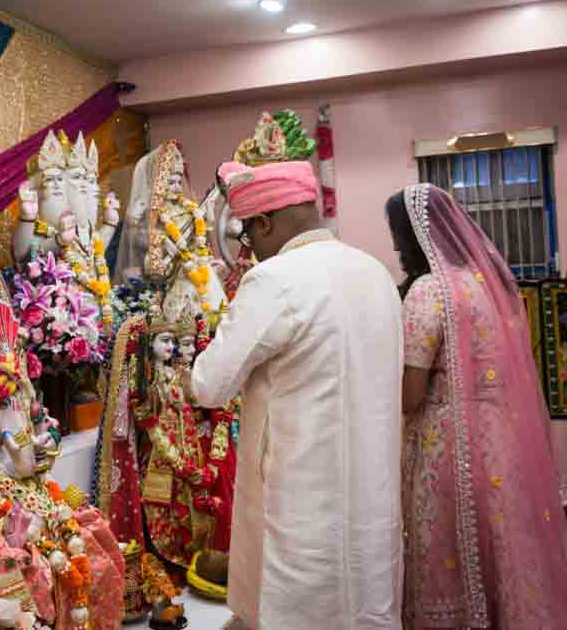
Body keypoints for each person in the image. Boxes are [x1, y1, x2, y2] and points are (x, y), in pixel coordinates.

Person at [190, 160, 403, 629]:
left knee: (300, 607)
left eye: (248, 234)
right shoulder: (375, 273)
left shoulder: (274, 280)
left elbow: (208, 385)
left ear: (265, 222)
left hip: (302, 497)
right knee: (365, 602)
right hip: (372, 492)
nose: (249, 249)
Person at [387, 184, 567, 629]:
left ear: (411, 235)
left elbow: (411, 395)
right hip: (501, 436)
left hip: (448, 443)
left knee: (448, 543)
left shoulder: (428, 291)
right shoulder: (489, 285)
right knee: (503, 538)